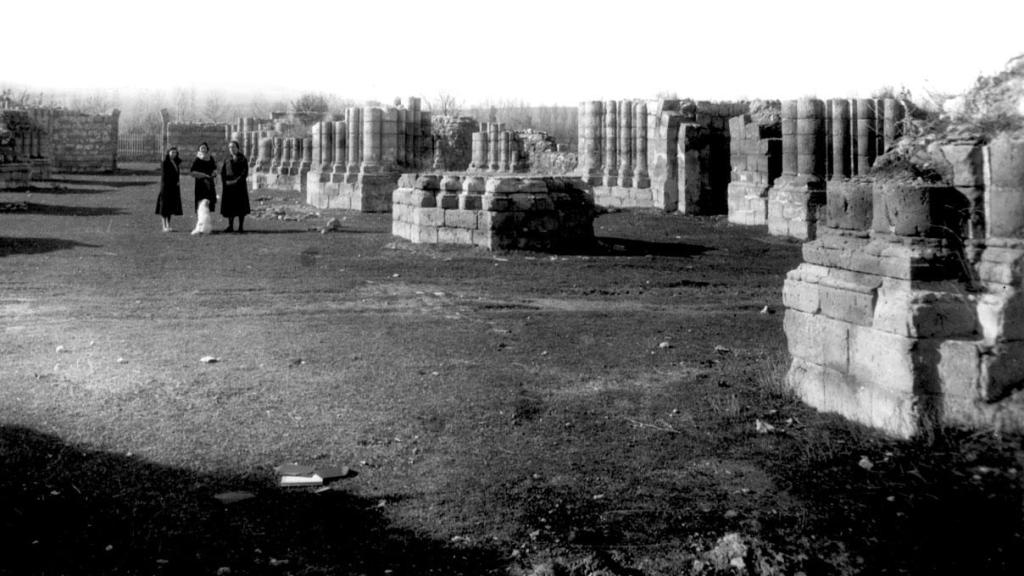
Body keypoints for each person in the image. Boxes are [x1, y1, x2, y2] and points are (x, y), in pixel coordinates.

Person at [220, 140, 251, 233]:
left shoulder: (242, 159)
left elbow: (244, 173)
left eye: (233, 147)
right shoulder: (227, 159)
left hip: (239, 187)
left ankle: (241, 227)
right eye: (230, 147)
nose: (231, 149)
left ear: (237, 148)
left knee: (240, 207)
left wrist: (235, 181)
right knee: (230, 207)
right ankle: (230, 226)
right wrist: (225, 182)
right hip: (229, 187)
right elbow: (223, 172)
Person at [155, 147, 183, 232]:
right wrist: (173, 182)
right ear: (168, 153)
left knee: (170, 207)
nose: (173, 154)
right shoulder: (165, 163)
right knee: (164, 207)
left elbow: (176, 174)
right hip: (166, 187)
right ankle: (164, 226)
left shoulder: (175, 162)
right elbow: (165, 176)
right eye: (172, 152)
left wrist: (177, 181)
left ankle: (168, 225)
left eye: (175, 152)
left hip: (173, 188)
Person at [189, 142, 217, 215]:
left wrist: (214, 173)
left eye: (204, 148)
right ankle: (200, 220)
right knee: (200, 200)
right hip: (200, 182)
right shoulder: (197, 159)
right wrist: (203, 175)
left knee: (209, 200)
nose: (203, 149)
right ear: (199, 149)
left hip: (210, 181)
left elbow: (214, 167)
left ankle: (207, 220)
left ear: (207, 149)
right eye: (202, 148)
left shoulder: (210, 158)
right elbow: (192, 171)